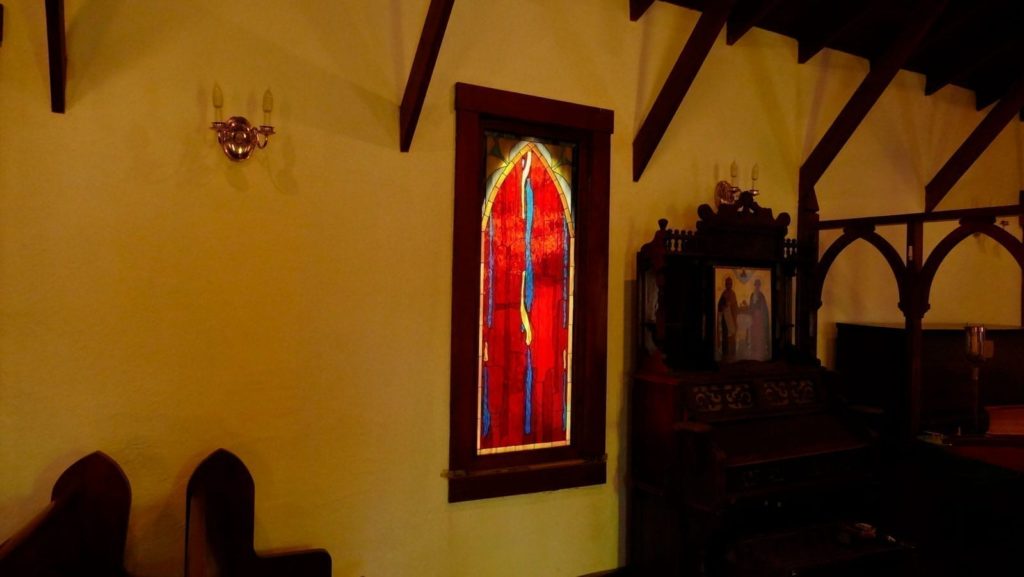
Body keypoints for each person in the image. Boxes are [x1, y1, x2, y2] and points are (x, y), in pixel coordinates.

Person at [748, 278, 770, 360]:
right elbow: (750, 306)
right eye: (756, 284)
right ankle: (754, 354)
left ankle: (760, 354)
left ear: (759, 286)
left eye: (758, 285)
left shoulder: (761, 295)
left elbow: (763, 308)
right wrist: (751, 310)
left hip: (759, 319)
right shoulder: (752, 295)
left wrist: (759, 312)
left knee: (759, 335)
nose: (757, 286)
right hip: (754, 319)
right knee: (754, 335)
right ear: (754, 285)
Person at [717, 276, 738, 361]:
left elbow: (735, 306)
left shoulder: (733, 294)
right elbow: (719, 306)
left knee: (732, 335)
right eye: (727, 283)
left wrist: (732, 309)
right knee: (725, 336)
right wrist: (724, 306)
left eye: (730, 284)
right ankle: (725, 354)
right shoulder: (723, 293)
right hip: (725, 319)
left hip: (731, 318)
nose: (729, 285)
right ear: (725, 284)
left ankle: (732, 353)